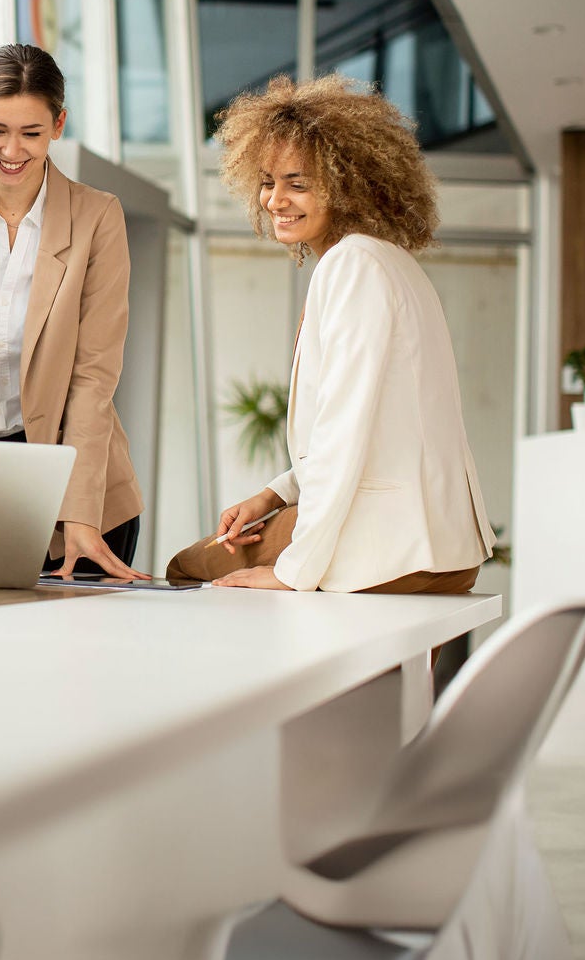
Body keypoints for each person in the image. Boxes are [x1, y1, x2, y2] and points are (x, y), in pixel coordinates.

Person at [167, 75, 496, 592]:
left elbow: (345, 429)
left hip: (387, 549)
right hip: (443, 550)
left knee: (189, 567)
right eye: (268, 181)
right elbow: (381, 426)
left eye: (298, 183)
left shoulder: (352, 265)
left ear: (348, 183)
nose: (276, 200)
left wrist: (292, 572)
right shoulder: (392, 263)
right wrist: (276, 495)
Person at [0, 44, 146, 581]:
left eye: (31, 134)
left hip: (78, 488)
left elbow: (94, 377)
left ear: (58, 125)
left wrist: (79, 512)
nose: (12, 150)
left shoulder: (97, 217)